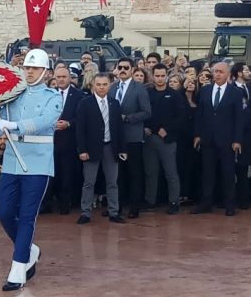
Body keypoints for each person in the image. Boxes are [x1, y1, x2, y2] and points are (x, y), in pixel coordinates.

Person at [0, 48, 61, 291]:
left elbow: (42, 123)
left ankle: (19, 267)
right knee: (5, 212)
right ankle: (30, 249)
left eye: (34, 68)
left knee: (28, 216)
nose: (29, 72)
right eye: (27, 68)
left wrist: (16, 125)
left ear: (45, 71)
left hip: (38, 163)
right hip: (12, 161)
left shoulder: (54, 97)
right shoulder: (13, 96)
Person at [75, 73, 127, 224]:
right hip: (91, 148)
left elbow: (119, 128)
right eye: (99, 84)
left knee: (112, 182)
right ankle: (85, 212)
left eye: (105, 84)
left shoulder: (114, 103)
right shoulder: (85, 103)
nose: (102, 87)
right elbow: (80, 129)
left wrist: (122, 149)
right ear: (93, 86)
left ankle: (114, 212)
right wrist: (82, 150)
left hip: (111, 147)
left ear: (109, 86)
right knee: (89, 182)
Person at [193, 62, 243, 216]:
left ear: (228, 74)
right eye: (215, 72)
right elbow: (200, 115)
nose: (217, 74)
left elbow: (238, 119)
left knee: (228, 173)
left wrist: (237, 140)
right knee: (208, 173)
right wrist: (197, 135)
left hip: (227, 140)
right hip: (208, 139)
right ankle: (206, 202)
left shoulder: (235, 92)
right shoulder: (205, 90)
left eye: (221, 72)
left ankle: (229, 204)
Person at [109, 57, 151, 219]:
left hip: (133, 137)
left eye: (126, 67)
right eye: (120, 67)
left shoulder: (139, 88)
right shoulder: (112, 88)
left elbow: (147, 112)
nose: (123, 70)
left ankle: (134, 207)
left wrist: (127, 117)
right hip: (114, 138)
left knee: (134, 173)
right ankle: (117, 207)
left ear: (132, 70)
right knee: (117, 174)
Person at [143, 64, 184, 214]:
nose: (160, 78)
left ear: (166, 76)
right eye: (157, 75)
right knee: (150, 172)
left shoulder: (174, 94)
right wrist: (145, 127)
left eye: (162, 75)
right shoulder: (147, 93)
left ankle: (174, 201)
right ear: (153, 76)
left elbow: (181, 116)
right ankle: (150, 201)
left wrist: (167, 129)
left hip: (167, 140)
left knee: (171, 172)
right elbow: (143, 112)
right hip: (149, 139)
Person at [48, 67, 85, 214]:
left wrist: (69, 123)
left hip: (69, 141)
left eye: (64, 76)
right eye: (58, 77)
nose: (61, 79)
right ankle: (50, 202)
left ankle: (65, 204)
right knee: (52, 173)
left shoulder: (79, 95)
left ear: (69, 78)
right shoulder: (48, 95)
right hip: (51, 141)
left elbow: (82, 118)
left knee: (67, 174)